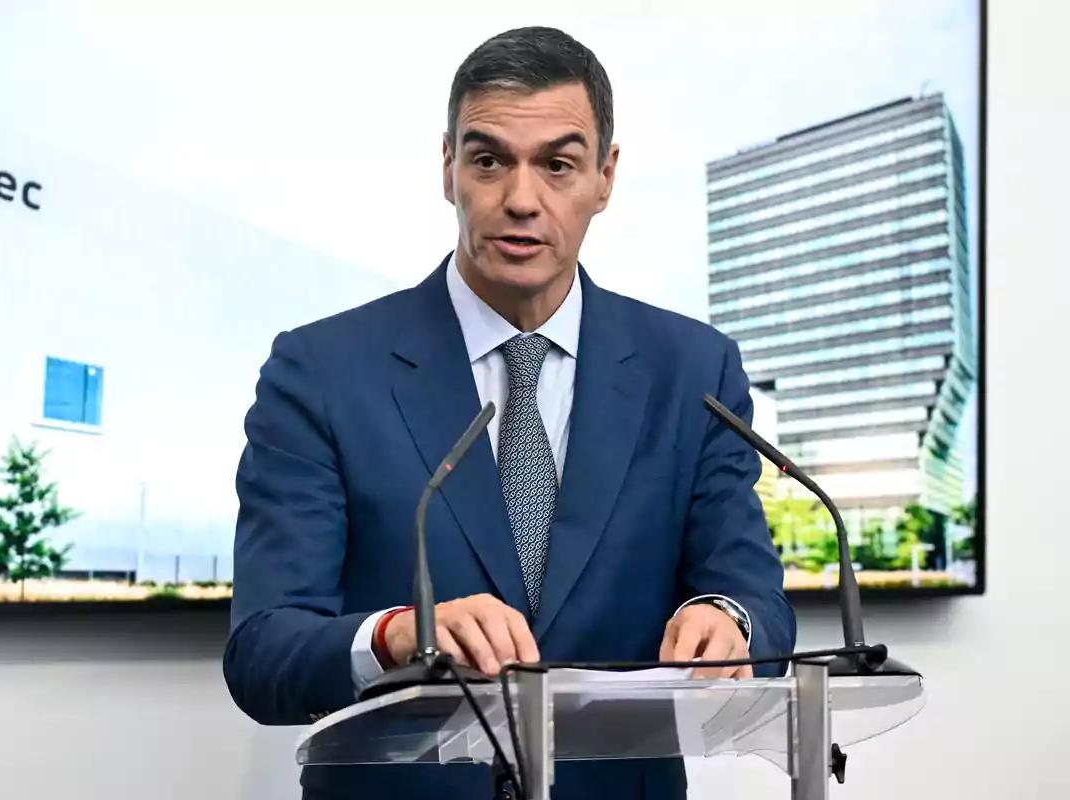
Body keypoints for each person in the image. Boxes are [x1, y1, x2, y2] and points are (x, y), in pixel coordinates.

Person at [224, 25, 796, 800]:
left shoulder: (692, 370)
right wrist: (397, 635)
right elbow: (262, 654)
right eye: (489, 160)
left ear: (605, 176)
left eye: (557, 165)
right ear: (448, 169)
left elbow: (755, 598)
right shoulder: (319, 371)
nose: (521, 199)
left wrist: (726, 620)